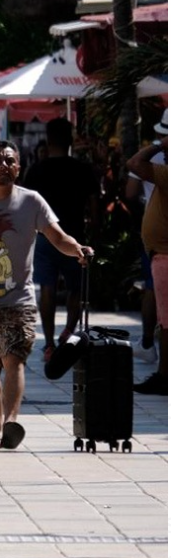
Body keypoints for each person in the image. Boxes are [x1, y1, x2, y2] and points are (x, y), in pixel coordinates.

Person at [0, 141, 92, 449]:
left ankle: (11, 422)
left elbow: (57, 237)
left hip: (18, 301)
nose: (3, 166)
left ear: (18, 168)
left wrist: (77, 249)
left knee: (14, 360)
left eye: (9, 161)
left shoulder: (31, 201)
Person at [23, 118, 99, 362]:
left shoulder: (36, 170)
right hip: (75, 236)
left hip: (44, 237)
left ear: (48, 137)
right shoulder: (83, 169)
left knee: (47, 287)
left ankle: (48, 342)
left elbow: (25, 205)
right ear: (70, 138)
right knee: (76, 289)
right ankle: (68, 333)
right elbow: (95, 206)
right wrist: (94, 231)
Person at [125, 111, 168, 396]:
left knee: (166, 322)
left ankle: (164, 376)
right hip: (161, 252)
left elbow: (134, 163)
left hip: (166, 254)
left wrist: (161, 145)